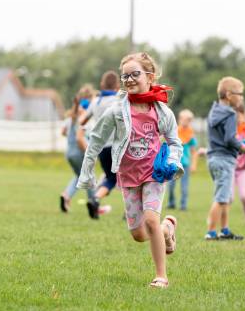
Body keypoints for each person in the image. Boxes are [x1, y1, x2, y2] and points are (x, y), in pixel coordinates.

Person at [77, 52, 183, 288]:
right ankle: (168, 229)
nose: (129, 79)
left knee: (151, 221)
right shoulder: (116, 110)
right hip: (127, 175)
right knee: (139, 235)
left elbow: (175, 142)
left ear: (150, 76)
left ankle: (161, 277)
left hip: (154, 174)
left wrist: (173, 162)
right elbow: (95, 139)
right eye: (125, 76)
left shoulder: (162, 112)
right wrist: (86, 172)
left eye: (135, 74)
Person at [205, 77, 245, 241]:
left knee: (226, 197)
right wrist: (241, 146)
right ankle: (211, 232)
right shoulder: (230, 114)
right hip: (224, 159)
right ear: (229, 95)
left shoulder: (214, 110)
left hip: (213, 158)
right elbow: (230, 138)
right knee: (221, 197)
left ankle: (225, 230)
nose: (242, 97)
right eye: (240, 94)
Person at [80, 71, 120, 219]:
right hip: (118, 146)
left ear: (102, 85)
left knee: (111, 178)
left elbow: (82, 121)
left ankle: (95, 198)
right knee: (129, 178)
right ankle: (131, 211)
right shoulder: (119, 100)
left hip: (101, 147)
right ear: (117, 86)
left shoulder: (95, 101)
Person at [60, 84, 96, 212]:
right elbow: (80, 138)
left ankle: (66, 196)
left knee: (79, 175)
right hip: (80, 152)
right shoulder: (84, 115)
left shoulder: (72, 115)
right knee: (89, 175)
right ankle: (93, 203)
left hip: (69, 153)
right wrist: (89, 152)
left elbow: (63, 131)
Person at [167, 109, 198, 211]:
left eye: (188, 120)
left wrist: (194, 164)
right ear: (179, 119)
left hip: (185, 164)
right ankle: (171, 203)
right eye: (183, 119)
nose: (185, 121)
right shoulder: (174, 132)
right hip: (173, 163)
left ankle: (183, 205)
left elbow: (194, 152)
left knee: (184, 187)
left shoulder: (191, 135)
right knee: (170, 186)